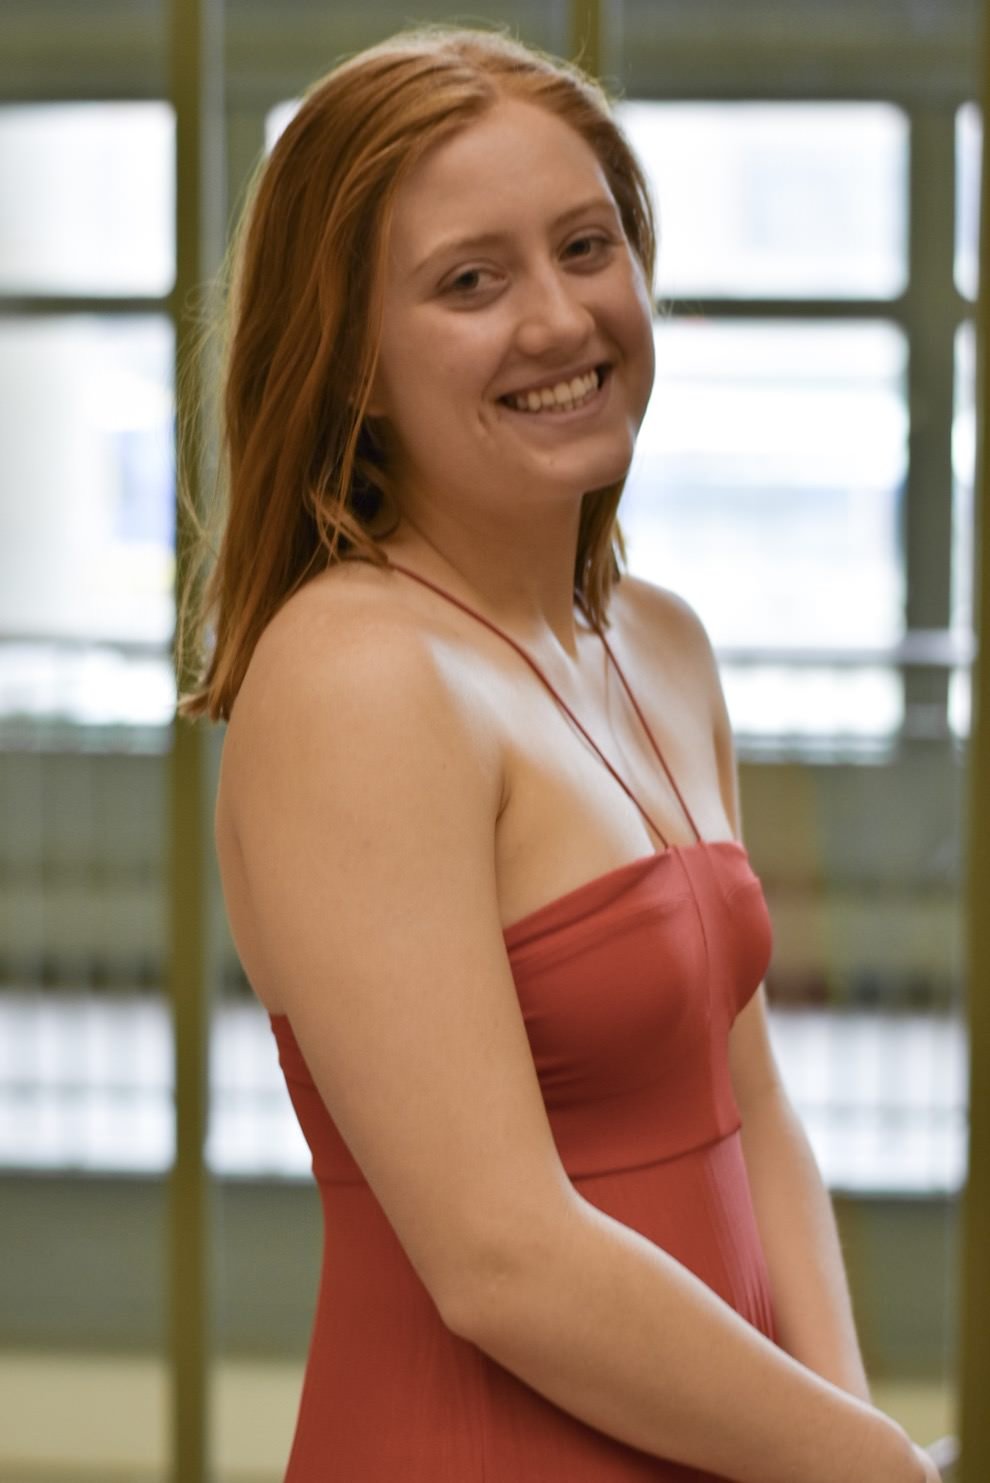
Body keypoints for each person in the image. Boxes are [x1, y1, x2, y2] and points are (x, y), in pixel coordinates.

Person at [180, 25, 942, 1483]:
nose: (557, 319)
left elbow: (753, 1111)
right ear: (350, 361)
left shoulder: (658, 641)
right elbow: (500, 1258)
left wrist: (848, 1436)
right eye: (470, 281)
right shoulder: (357, 677)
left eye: (587, 247)